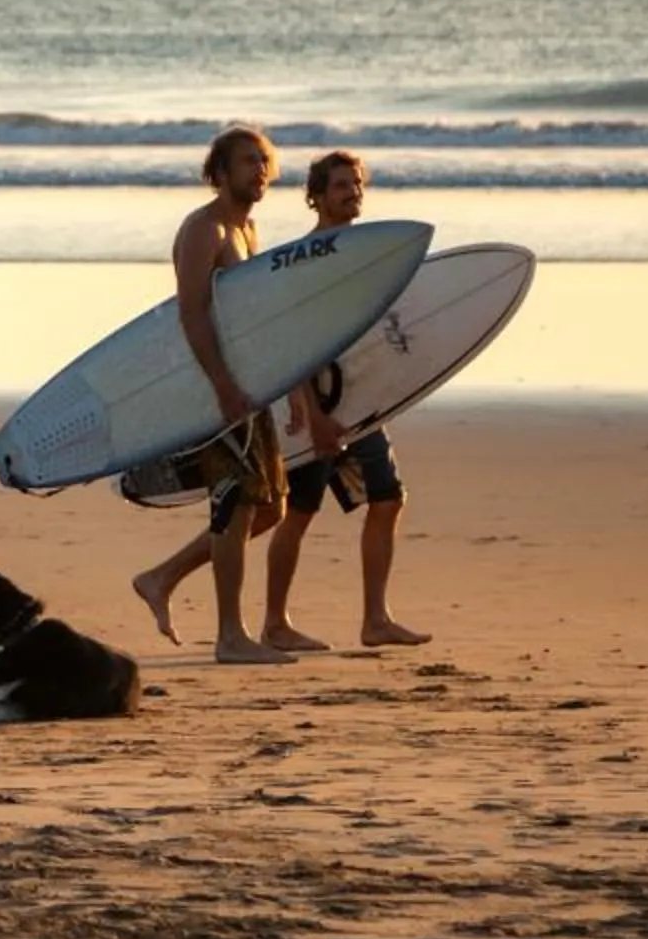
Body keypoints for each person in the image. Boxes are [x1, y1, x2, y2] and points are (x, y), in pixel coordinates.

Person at [129, 126, 294, 664]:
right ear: (218, 173)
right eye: (247, 162)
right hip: (212, 385)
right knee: (238, 503)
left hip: (247, 386)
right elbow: (192, 315)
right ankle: (229, 636)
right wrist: (221, 386)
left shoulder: (246, 229)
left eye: (263, 162)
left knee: (270, 507)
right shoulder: (204, 230)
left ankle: (161, 577)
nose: (259, 171)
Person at [261, 150, 432, 650]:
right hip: (314, 408)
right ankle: (274, 623)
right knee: (299, 510)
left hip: (357, 406)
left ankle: (375, 620)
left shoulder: (364, 255)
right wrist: (313, 415)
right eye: (341, 185)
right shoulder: (306, 261)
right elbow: (295, 344)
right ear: (315, 196)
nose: (352, 192)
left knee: (387, 497)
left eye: (357, 184)